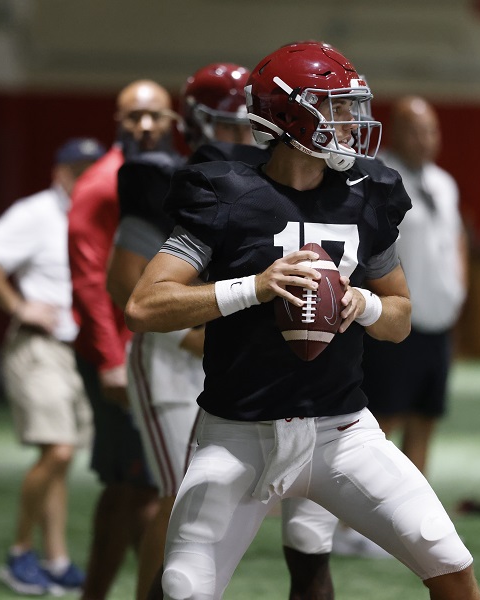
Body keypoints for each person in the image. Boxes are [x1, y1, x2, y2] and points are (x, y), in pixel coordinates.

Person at [124, 42, 480, 600]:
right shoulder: (226, 195)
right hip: (239, 432)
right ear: (291, 115)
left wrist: (360, 305)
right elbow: (145, 306)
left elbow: (400, 317)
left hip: (341, 431)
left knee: (448, 558)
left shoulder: (367, 197)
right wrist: (255, 287)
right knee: (184, 589)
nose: (352, 121)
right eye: (337, 107)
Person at [109, 62, 337, 600]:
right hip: (174, 353)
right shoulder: (165, 182)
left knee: (218, 508)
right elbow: (129, 289)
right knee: (177, 499)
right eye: (228, 124)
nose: (242, 137)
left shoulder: (276, 181)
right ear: (193, 122)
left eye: (247, 123)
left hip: (230, 362)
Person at [0, 137, 106, 595]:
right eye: (77, 170)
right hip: (40, 346)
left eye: (92, 169)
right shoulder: (35, 212)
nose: (85, 177)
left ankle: (55, 559)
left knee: (61, 452)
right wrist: (18, 305)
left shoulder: (97, 211)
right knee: (59, 450)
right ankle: (19, 553)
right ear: (58, 173)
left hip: (78, 350)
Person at [68, 79, 176, 600]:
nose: (146, 126)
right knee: (144, 491)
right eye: (134, 117)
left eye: (155, 115)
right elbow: (91, 280)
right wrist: (112, 360)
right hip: (121, 355)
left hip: (145, 349)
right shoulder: (104, 182)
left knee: (134, 489)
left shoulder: (154, 174)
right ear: (117, 122)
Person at [362, 96, 468, 473]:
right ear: (395, 132)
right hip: (398, 322)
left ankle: (408, 523)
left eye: (431, 131)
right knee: (381, 423)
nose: (425, 139)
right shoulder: (380, 180)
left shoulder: (444, 183)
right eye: (415, 131)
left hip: (438, 322)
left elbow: (456, 238)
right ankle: (354, 528)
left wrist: (458, 293)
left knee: (425, 421)